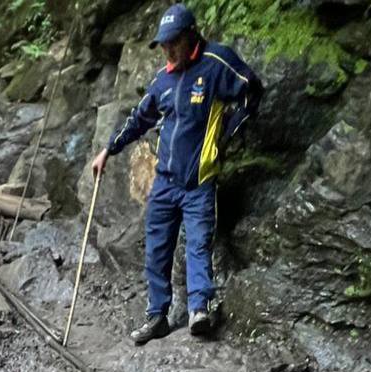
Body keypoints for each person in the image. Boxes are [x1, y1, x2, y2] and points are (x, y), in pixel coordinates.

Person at [91, 4, 262, 346]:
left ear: (190, 36)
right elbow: (139, 119)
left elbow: (252, 90)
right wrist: (109, 148)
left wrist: (229, 130)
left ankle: (199, 309)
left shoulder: (216, 63)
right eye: (163, 45)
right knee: (156, 249)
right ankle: (157, 316)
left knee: (198, 243)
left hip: (199, 179)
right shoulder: (163, 80)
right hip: (165, 180)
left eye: (173, 43)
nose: (168, 50)